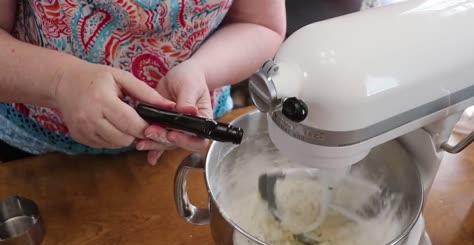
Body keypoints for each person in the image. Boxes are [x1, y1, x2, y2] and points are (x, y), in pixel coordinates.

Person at [0, 0, 286, 165]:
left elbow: (261, 24)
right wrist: (60, 82)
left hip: (184, 144)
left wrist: (200, 70)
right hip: (37, 152)